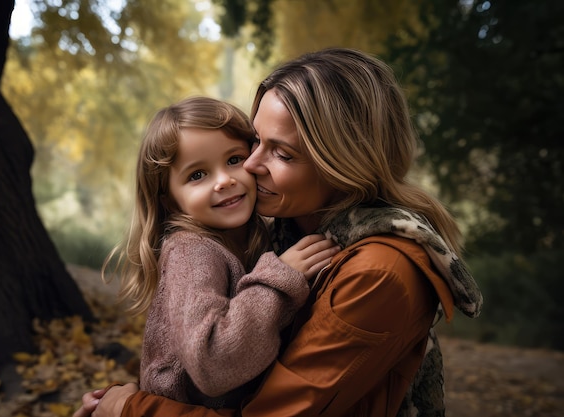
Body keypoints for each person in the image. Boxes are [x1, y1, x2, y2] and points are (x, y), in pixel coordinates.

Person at [74, 48, 483, 417]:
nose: (248, 167)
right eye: (254, 143)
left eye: (281, 153)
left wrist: (132, 408)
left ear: (343, 162)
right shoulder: (271, 238)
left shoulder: (377, 272)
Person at [92, 96, 339, 411]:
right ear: (169, 199)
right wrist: (279, 278)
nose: (224, 181)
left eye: (234, 159)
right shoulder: (191, 252)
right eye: (197, 175)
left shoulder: (252, 236)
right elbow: (213, 363)